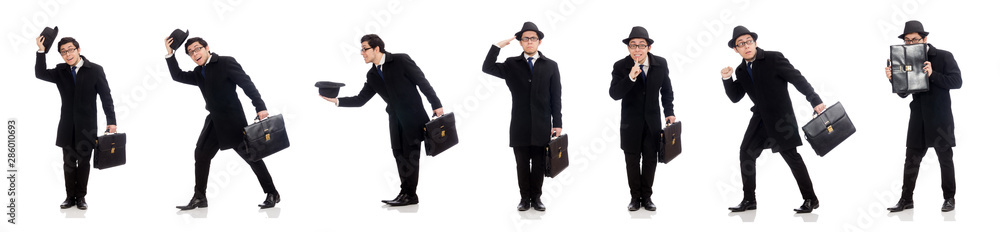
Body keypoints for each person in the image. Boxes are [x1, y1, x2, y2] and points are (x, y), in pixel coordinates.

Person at [321, 34, 444, 207]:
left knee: (410, 156)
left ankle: (410, 195)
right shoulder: (372, 75)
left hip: (412, 117)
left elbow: (422, 82)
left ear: (376, 48)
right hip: (395, 120)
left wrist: (436, 104)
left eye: (365, 49)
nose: (362, 53)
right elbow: (360, 100)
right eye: (361, 49)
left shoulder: (401, 60)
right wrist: (337, 101)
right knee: (399, 155)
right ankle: (405, 193)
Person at [718, 25, 826, 213]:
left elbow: (797, 79)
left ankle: (811, 199)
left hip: (780, 118)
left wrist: (814, 100)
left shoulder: (773, 58)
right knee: (746, 153)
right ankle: (749, 200)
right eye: (741, 44)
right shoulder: (741, 70)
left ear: (755, 42)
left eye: (749, 41)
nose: (746, 46)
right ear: (735, 49)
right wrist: (727, 79)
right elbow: (735, 97)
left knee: (791, 157)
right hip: (760, 119)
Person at [164, 36, 281, 210]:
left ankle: (272, 193)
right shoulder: (198, 72)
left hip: (233, 122)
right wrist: (170, 54)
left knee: (252, 157)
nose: (194, 54)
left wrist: (260, 106)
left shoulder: (226, 63)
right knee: (201, 155)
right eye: (190, 53)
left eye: (197, 49)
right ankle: (199, 197)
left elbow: (246, 84)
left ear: (206, 47)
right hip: (214, 123)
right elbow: (177, 75)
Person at [482, 21, 562, 211]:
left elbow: (556, 97)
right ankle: (524, 199)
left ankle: (537, 198)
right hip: (520, 124)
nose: (529, 42)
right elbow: (487, 67)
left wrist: (557, 123)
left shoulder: (551, 66)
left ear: (539, 42)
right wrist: (496, 47)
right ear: (520, 42)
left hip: (542, 124)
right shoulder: (512, 64)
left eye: (533, 38)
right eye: (525, 39)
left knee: (540, 164)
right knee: (522, 164)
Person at [883, 20, 962, 213]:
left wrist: (933, 74)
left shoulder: (943, 56)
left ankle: (949, 198)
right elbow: (903, 93)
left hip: (940, 117)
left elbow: (957, 81)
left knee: (945, 158)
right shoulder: (905, 60)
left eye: (915, 40)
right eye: (908, 41)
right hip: (918, 118)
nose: (911, 44)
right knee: (911, 159)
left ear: (925, 39)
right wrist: (893, 79)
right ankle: (906, 199)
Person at [35, 35, 117, 210]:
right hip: (67, 126)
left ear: (78, 50)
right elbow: (40, 73)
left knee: (84, 163)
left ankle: (81, 197)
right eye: (63, 52)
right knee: (68, 163)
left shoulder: (95, 70)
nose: (67, 54)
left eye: (70, 49)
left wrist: (111, 120)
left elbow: (106, 97)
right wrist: (42, 51)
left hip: (87, 126)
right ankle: (69, 196)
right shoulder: (60, 71)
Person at [609, 26, 676, 211]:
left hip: (652, 122)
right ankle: (634, 198)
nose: (637, 49)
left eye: (641, 45)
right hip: (630, 123)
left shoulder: (660, 64)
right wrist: (630, 77)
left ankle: (646, 197)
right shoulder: (620, 66)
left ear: (649, 47)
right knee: (631, 160)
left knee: (650, 160)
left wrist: (669, 112)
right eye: (633, 45)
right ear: (628, 48)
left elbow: (667, 90)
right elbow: (614, 94)